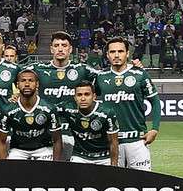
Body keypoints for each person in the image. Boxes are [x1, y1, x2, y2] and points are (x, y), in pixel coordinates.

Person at [96, 37, 160, 171]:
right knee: (112, 185)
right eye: (112, 52)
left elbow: (155, 101)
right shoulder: (100, 77)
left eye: (121, 51)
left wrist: (154, 129)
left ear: (127, 53)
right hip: (110, 141)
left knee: (142, 185)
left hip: (137, 140)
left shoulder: (140, 74)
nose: (117, 55)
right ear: (107, 55)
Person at [31, 31, 98, 159]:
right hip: (45, 131)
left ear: (70, 49)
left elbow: (108, 77)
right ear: (51, 49)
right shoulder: (38, 69)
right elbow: (13, 73)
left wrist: (133, 67)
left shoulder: (82, 69)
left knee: (70, 174)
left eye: (64, 45)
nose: (60, 49)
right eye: (56, 45)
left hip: (73, 131)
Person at [0, 68, 62, 161]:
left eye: (31, 81)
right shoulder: (7, 110)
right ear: (17, 85)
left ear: (37, 84)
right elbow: (1, 142)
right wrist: (2, 167)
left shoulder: (49, 109)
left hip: (44, 149)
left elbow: (57, 140)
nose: (27, 84)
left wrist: (56, 165)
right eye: (23, 81)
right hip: (18, 150)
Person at [58, 81, 119, 165]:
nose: (83, 99)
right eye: (79, 95)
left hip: (103, 157)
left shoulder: (107, 112)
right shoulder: (68, 109)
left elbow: (113, 142)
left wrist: (114, 165)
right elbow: (49, 111)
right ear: (75, 97)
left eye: (87, 94)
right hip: (80, 156)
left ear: (94, 96)